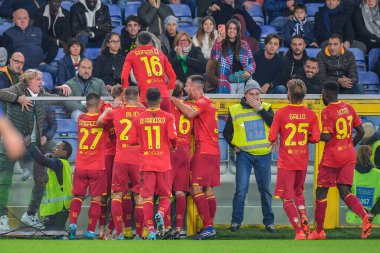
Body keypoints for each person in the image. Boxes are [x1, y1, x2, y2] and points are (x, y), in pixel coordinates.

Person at [0, 69, 69, 230]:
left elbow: (57, 101)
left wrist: (63, 90)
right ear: (29, 80)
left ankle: (30, 215)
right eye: (38, 79)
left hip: (30, 145)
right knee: (4, 180)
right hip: (11, 143)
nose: (41, 82)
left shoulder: (42, 93)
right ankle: (2, 217)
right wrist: (18, 98)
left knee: (41, 178)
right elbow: (1, 93)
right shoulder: (17, 89)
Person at [309, 81, 373, 240]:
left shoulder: (327, 111)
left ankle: (319, 231)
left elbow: (327, 136)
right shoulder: (348, 107)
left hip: (332, 158)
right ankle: (364, 216)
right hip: (349, 155)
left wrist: (310, 136)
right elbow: (360, 130)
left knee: (321, 191)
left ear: (325, 94)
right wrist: (350, 145)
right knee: (344, 191)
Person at [268, 79, 320, 240]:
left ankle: (299, 230)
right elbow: (317, 138)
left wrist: (277, 138)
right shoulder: (311, 114)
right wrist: (305, 139)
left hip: (286, 161)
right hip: (302, 160)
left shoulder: (281, 113)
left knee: (286, 196)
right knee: (299, 191)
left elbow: (271, 136)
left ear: (288, 94)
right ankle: (303, 214)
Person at [222, 79, 275, 233]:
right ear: (245, 95)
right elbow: (226, 132)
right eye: (251, 94)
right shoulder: (235, 110)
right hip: (244, 155)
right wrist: (233, 146)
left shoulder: (266, 107)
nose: (254, 97)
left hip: (264, 154)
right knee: (241, 189)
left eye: (257, 94)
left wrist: (259, 109)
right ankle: (236, 222)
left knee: (265, 190)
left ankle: (269, 222)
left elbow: (274, 124)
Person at [171, 75, 219, 240]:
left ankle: (208, 226)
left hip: (204, 151)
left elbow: (190, 113)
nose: (185, 89)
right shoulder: (209, 102)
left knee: (195, 188)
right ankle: (210, 225)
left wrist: (173, 99)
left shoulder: (202, 102)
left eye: (187, 86)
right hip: (213, 150)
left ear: (195, 88)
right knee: (208, 190)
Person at [128, 87, 177, 240]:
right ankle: (160, 213)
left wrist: (141, 141)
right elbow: (173, 136)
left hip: (146, 163)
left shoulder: (138, 119)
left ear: (146, 101)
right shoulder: (168, 117)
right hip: (163, 163)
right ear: (161, 100)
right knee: (165, 196)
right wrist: (173, 146)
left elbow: (131, 141)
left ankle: (150, 230)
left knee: (147, 198)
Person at [98, 86, 146, 240]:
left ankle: (119, 232)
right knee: (139, 197)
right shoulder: (143, 112)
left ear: (124, 97)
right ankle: (139, 234)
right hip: (138, 159)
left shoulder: (116, 111)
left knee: (117, 194)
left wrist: (108, 109)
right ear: (138, 97)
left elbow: (99, 122)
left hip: (121, 158)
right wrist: (141, 105)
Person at [68, 93, 109, 240]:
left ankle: (72, 224)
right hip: (97, 167)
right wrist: (106, 109)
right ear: (99, 105)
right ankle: (90, 231)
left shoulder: (81, 118)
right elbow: (106, 113)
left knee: (78, 197)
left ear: (86, 105)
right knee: (96, 199)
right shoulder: (104, 121)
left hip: (80, 165)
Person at [121, 31, 176, 113]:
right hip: (163, 97)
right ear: (151, 42)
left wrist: (126, 96)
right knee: (167, 124)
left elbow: (123, 77)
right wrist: (168, 95)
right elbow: (173, 76)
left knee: (146, 125)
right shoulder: (160, 53)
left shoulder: (132, 54)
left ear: (137, 42)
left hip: (146, 98)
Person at [27, 141, 73, 231]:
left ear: (65, 152)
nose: (53, 149)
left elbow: (42, 160)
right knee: (54, 234)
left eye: (57, 147)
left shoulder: (58, 163)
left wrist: (30, 146)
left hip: (58, 209)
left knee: (54, 233)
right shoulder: (62, 164)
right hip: (56, 209)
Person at [1, 9, 58, 78]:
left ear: (29, 19)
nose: (23, 21)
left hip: (41, 65)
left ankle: (59, 88)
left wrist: (46, 61)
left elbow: (53, 45)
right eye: (19, 18)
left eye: (25, 18)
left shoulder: (37, 31)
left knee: (58, 72)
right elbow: (6, 56)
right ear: (14, 20)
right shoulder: (8, 34)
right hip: (23, 68)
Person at [211, 19, 255, 94]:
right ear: (226, 29)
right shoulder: (220, 43)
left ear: (238, 31)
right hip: (227, 80)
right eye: (230, 28)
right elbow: (214, 58)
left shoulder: (244, 44)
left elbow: (252, 62)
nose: (232, 31)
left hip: (242, 79)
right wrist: (217, 43)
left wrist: (248, 71)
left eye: (235, 29)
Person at [0, 108, 25, 231]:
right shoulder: (13, 95)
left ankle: (2, 217)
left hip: (22, 146)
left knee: (4, 183)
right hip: (5, 151)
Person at [346, 145, 380, 225]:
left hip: (354, 220)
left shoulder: (349, 173)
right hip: (375, 220)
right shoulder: (378, 174)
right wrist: (372, 213)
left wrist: (362, 213)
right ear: (371, 156)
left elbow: (347, 197)